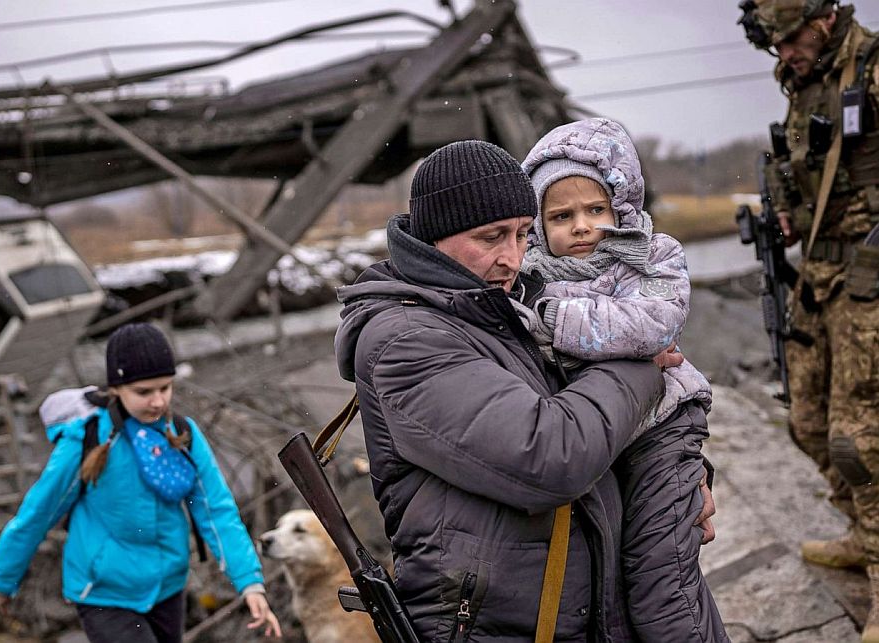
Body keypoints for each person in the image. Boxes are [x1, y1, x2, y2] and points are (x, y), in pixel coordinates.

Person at [334, 139, 693, 641]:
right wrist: (644, 362)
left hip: (569, 614)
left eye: (524, 234)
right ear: (434, 237)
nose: (512, 257)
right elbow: (554, 455)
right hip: (496, 627)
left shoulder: (502, 305)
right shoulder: (406, 341)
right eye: (491, 237)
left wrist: (679, 485)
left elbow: (605, 430)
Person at [514, 117, 726, 641]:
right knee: (611, 589)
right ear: (539, 224)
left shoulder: (652, 256)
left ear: (620, 208)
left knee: (661, 581)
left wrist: (555, 320)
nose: (581, 226)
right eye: (561, 216)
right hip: (602, 438)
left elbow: (650, 326)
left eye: (595, 210)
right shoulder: (528, 274)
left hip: (660, 428)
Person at [0, 322, 281, 643]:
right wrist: (3, 578)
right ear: (116, 389)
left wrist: (249, 582)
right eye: (144, 392)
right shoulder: (87, 439)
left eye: (165, 388)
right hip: (103, 591)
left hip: (167, 587)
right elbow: (39, 511)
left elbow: (216, 510)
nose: (157, 401)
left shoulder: (182, 434)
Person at [739, 2, 879, 638]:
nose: (783, 56)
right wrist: (788, 210)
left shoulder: (871, 70)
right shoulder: (802, 82)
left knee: (859, 438)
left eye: (789, 42)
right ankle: (861, 527)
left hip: (869, 277)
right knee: (807, 419)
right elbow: (804, 165)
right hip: (819, 277)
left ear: (822, 20)